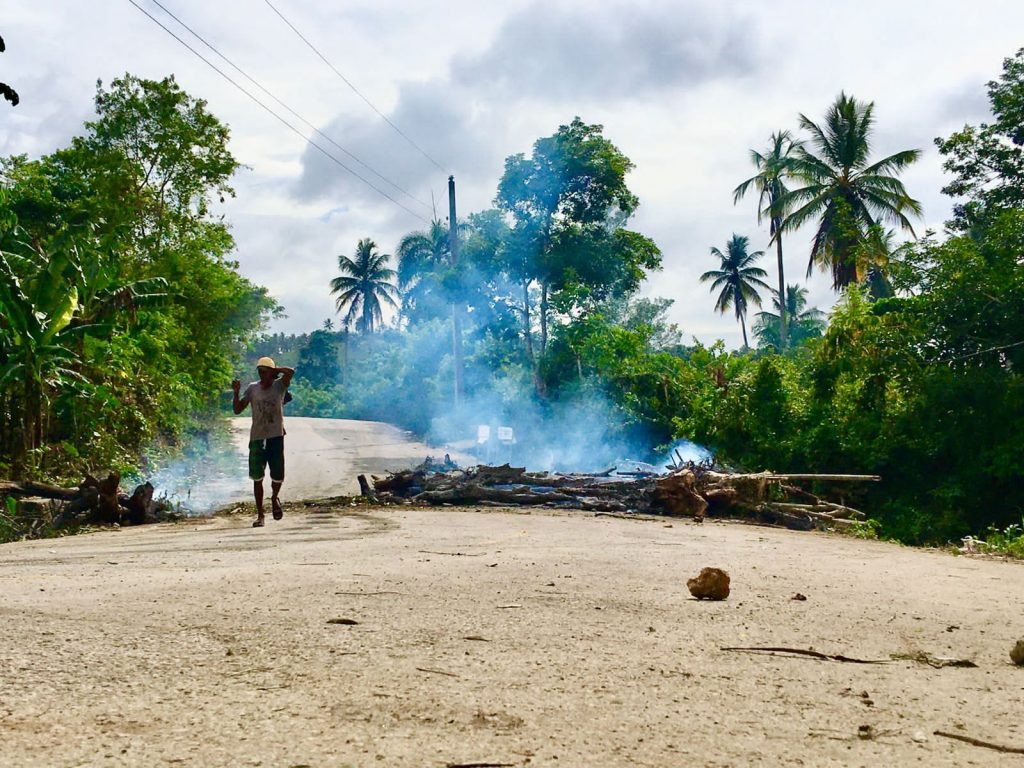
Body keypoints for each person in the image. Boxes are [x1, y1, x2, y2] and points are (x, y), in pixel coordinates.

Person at [232, 357, 295, 527]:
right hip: (257, 438)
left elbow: (291, 372)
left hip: (276, 437)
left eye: (265, 372)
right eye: (260, 372)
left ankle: (274, 498)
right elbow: (237, 410)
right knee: (257, 478)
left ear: (272, 373)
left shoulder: (280, 386)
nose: (262, 375)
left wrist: (276, 371)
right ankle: (260, 515)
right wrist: (236, 392)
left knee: (277, 476)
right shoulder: (253, 389)